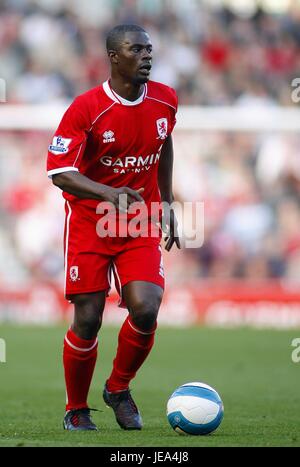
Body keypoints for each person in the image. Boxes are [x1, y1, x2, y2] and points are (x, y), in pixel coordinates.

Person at [47, 24, 180, 432]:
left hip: (138, 216)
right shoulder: (86, 108)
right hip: (91, 219)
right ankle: (76, 409)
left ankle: (118, 388)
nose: (146, 56)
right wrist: (108, 194)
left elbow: (164, 142)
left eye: (149, 49)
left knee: (147, 306)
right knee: (88, 317)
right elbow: (59, 172)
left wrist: (168, 200)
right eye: (136, 49)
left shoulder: (166, 99)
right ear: (113, 56)